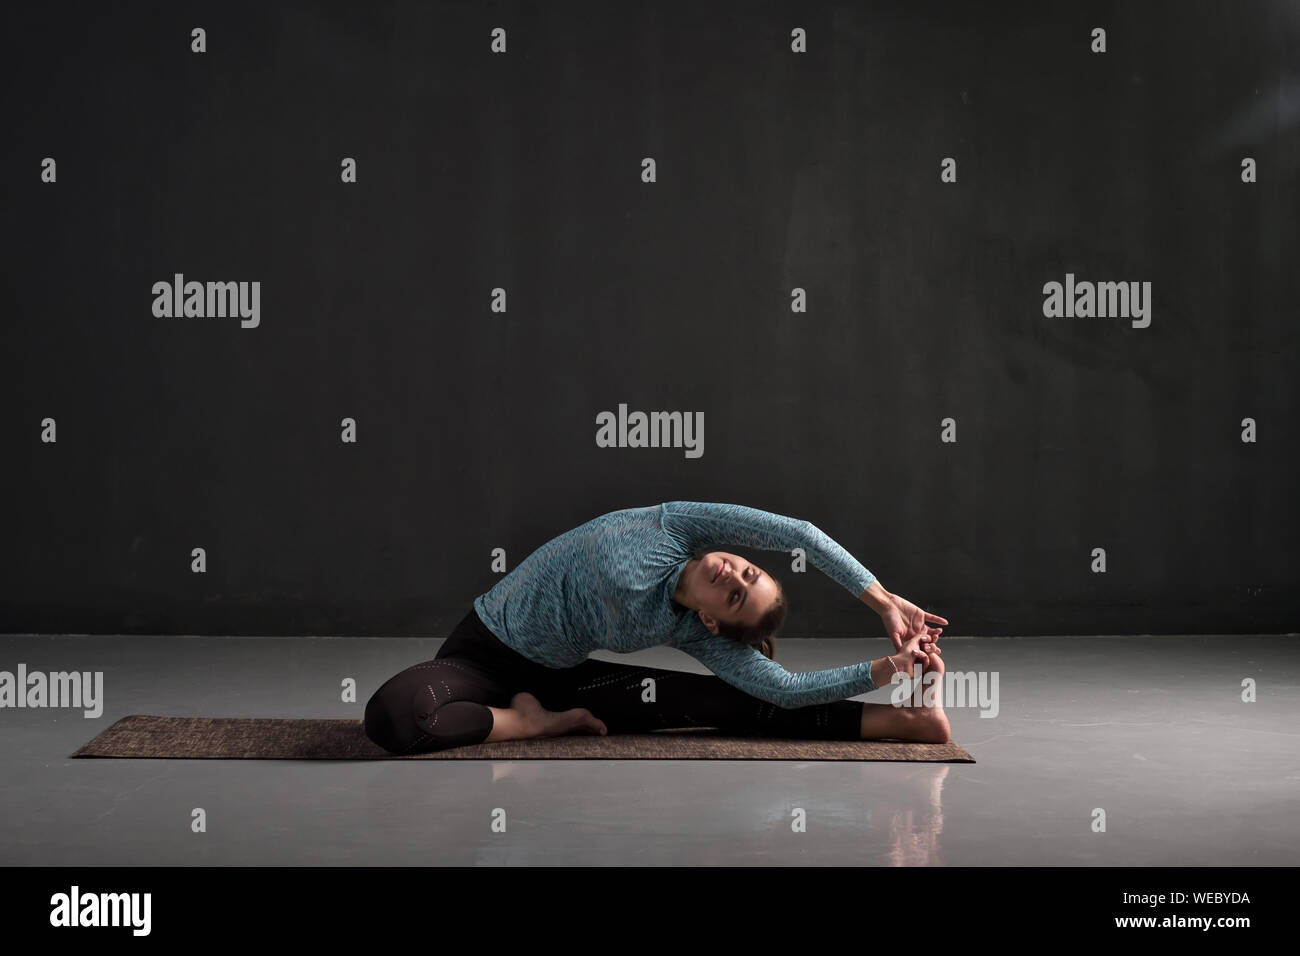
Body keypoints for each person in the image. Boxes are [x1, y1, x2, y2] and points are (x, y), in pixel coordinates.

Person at [364, 500, 950, 754]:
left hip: (558, 681)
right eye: (747, 570)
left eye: (737, 595)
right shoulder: (677, 526)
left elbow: (783, 688)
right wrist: (882, 603)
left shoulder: (693, 631)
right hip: (480, 652)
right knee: (395, 715)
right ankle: (524, 726)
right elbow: (798, 532)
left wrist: (888, 670)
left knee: (732, 700)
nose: (732, 575)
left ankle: (906, 720)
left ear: (712, 620)